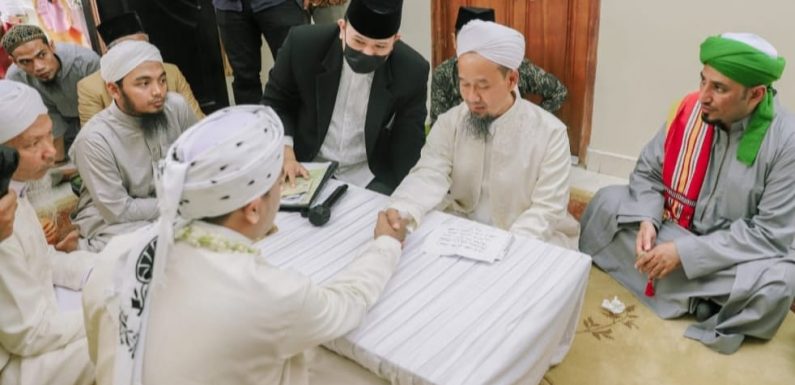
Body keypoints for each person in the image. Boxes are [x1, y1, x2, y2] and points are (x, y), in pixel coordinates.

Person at [81, 105, 407, 385]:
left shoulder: (119, 254)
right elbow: (345, 305)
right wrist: (385, 245)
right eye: (279, 183)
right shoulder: (266, 292)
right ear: (252, 208)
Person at [579, 33, 795, 354]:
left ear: (755, 95)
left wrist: (684, 254)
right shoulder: (691, 110)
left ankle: (675, 284)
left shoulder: (786, 142)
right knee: (606, 202)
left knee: (777, 282)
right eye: (703, 80)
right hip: (673, 227)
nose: (703, 95)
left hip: (728, 253)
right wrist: (648, 221)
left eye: (719, 88)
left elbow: (769, 234)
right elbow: (649, 172)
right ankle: (702, 299)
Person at [386, 20, 579, 249]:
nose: (471, 97)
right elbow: (428, 174)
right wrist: (400, 211)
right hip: (463, 229)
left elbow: (545, 211)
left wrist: (504, 247)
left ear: (512, 80)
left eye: (482, 86)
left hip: (528, 238)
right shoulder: (451, 122)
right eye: (464, 84)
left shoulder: (551, 134)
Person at [262, 0, 429, 194]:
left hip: (368, 174)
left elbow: (409, 141)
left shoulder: (412, 70)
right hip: (306, 165)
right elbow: (275, 103)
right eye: (358, 41)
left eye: (380, 47)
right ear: (342, 27)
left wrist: (407, 197)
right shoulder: (303, 44)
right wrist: (286, 154)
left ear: (395, 41)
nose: (367, 52)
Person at [0, 80, 95, 385]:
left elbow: (44, 260)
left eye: (48, 137)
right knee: (126, 332)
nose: (51, 153)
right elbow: (27, 335)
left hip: (47, 315)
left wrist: (102, 270)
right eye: (31, 145)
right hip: (18, 361)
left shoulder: (15, 192)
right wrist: (106, 307)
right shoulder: (2, 218)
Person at [70, 40, 198, 252]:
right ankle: (81, 246)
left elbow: (199, 159)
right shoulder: (94, 139)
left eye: (162, 80)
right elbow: (118, 210)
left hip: (171, 201)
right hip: (115, 218)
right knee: (157, 242)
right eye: (144, 83)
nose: (158, 91)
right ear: (114, 89)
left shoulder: (176, 106)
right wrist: (182, 204)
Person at [430, 6, 567, 125]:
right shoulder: (443, 73)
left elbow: (558, 92)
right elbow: (438, 124)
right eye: (465, 84)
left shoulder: (514, 66)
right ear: (454, 40)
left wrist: (532, 123)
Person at [77, 11, 205, 125]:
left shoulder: (170, 71)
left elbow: (197, 121)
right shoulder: (90, 88)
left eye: (144, 48)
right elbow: (96, 139)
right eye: (133, 52)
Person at [2, 24, 100, 162]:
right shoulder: (15, 79)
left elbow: (104, 109)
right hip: (54, 129)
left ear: (51, 46)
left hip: (95, 120)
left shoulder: (86, 62)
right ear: (15, 62)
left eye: (42, 55)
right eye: (25, 62)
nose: (38, 67)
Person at [213, 0, 309, 104]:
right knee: (244, 81)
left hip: (280, 4)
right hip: (229, 7)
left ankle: (300, 120)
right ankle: (252, 120)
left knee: (295, 74)